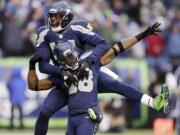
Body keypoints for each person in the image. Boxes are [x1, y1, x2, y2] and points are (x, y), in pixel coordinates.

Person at [32, 1, 169, 135]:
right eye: (53, 16)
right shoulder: (45, 34)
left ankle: (153, 102)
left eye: (58, 16)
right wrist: (60, 71)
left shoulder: (81, 38)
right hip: (63, 78)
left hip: (85, 73)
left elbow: (108, 46)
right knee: (45, 111)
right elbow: (42, 65)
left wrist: (89, 61)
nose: (54, 20)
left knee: (117, 85)